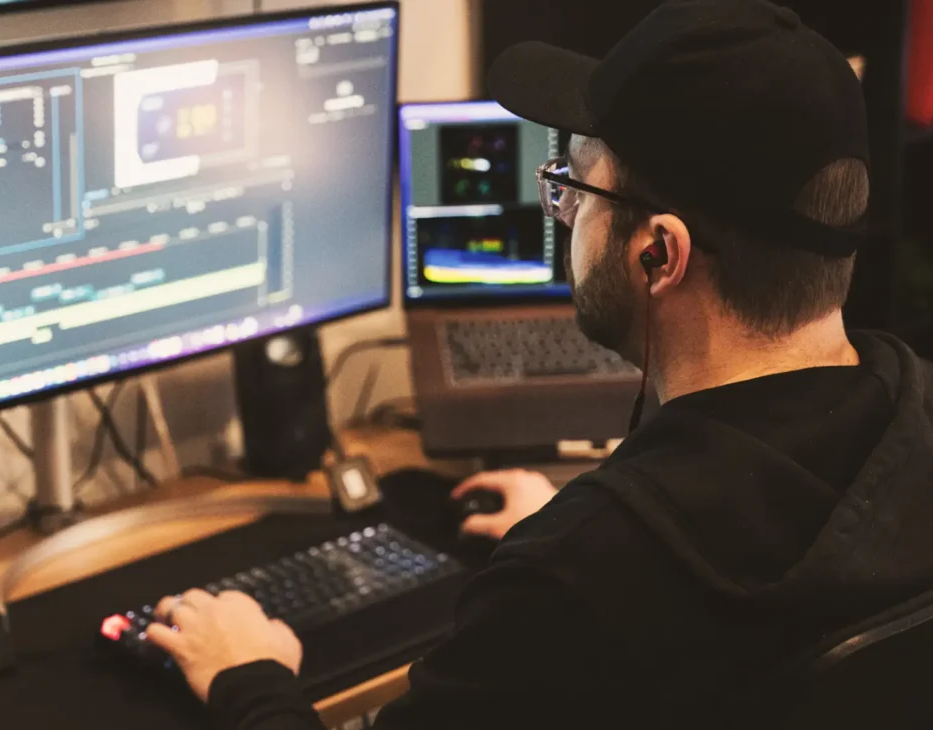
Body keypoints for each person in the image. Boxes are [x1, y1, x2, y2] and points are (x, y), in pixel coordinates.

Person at [145, 0, 933, 726]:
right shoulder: (914, 419)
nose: (565, 215)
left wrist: (248, 675)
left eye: (574, 191)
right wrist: (588, 526)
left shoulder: (572, 581)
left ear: (660, 253)